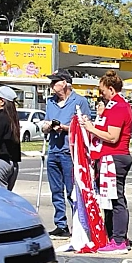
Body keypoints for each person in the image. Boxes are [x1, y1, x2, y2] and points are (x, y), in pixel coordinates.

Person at [78, 71, 132, 254]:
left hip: (114, 157)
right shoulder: (112, 107)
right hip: (108, 157)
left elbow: (112, 136)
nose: (100, 94)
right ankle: (114, 236)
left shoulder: (118, 107)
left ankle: (118, 240)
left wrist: (91, 128)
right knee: (110, 199)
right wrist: (96, 120)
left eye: (102, 91)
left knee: (116, 199)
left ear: (111, 89)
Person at [41, 69, 91, 238]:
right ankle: (61, 224)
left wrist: (64, 127)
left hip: (70, 151)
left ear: (65, 83)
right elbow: (46, 122)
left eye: (55, 81)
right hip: (53, 150)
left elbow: (85, 126)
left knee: (72, 190)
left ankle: (79, 223)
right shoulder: (50, 102)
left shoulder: (80, 101)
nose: (52, 85)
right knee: (56, 190)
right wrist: (48, 127)